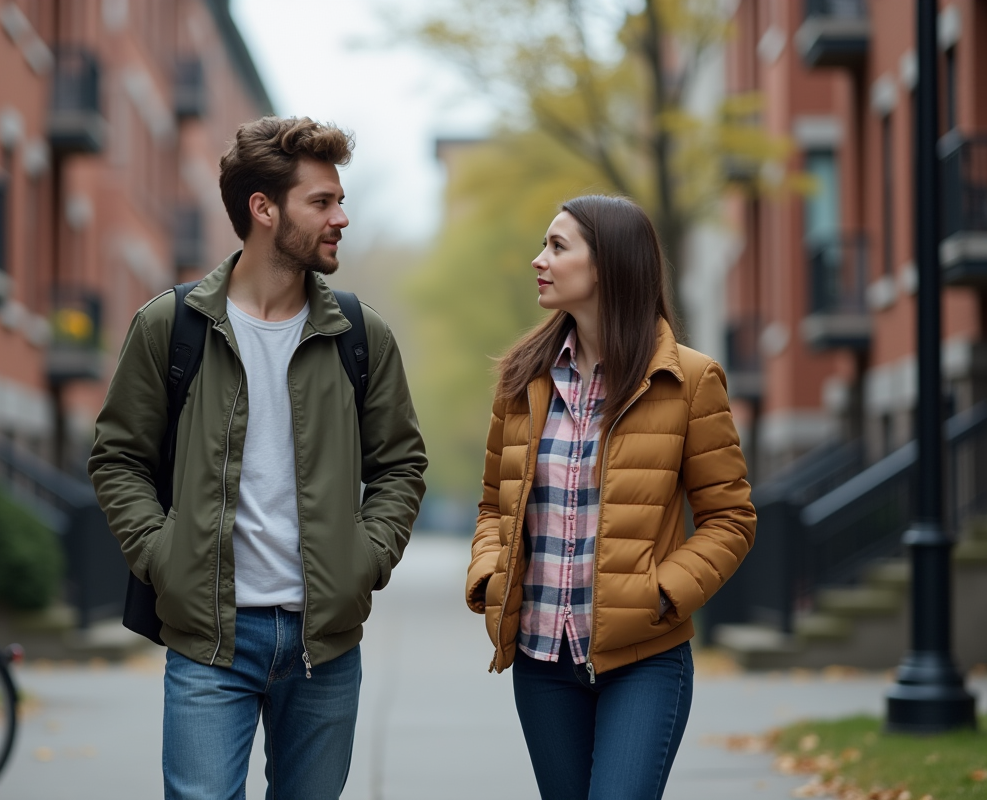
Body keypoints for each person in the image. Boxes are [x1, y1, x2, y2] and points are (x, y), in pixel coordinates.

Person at [88, 116, 427, 800]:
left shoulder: (360, 335)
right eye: (322, 202)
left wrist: (366, 559)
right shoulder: (170, 325)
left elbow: (400, 464)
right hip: (210, 640)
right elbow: (117, 456)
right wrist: (163, 557)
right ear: (264, 209)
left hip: (323, 644)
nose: (342, 218)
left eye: (340, 200)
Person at [465, 195, 756, 799]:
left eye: (557, 246)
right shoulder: (522, 380)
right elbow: (495, 505)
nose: (538, 260)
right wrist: (492, 573)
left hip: (644, 660)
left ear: (606, 266)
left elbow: (730, 519)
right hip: (542, 659)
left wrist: (664, 592)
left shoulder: (690, 380)